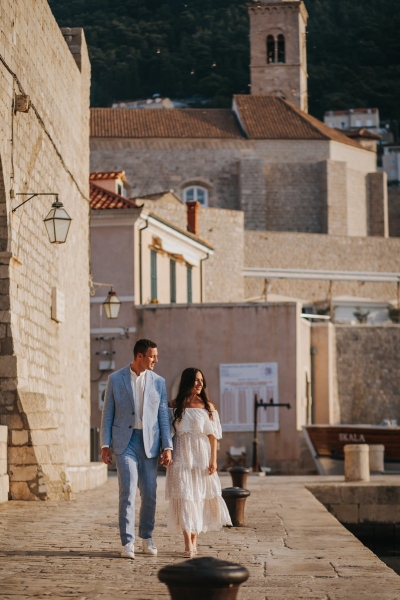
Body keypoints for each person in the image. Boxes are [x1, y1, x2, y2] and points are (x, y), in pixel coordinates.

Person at [100, 339, 173, 559]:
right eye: (152, 356)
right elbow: (107, 414)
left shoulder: (159, 382)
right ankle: (128, 542)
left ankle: (146, 536)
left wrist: (167, 446)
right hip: (125, 442)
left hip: (149, 443)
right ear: (139, 356)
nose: (156, 360)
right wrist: (105, 444)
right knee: (128, 490)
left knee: (150, 493)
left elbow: (162, 416)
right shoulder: (115, 379)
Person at [166, 367, 231, 557]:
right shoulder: (173, 405)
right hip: (181, 456)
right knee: (185, 497)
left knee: (199, 498)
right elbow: (167, 434)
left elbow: (213, 436)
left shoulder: (208, 406)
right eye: (195, 380)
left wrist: (213, 460)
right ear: (187, 382)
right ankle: (188, 543)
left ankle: (194, 540)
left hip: (202, 457)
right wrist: (167, 452)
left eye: (201, 380)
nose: (199, 383)